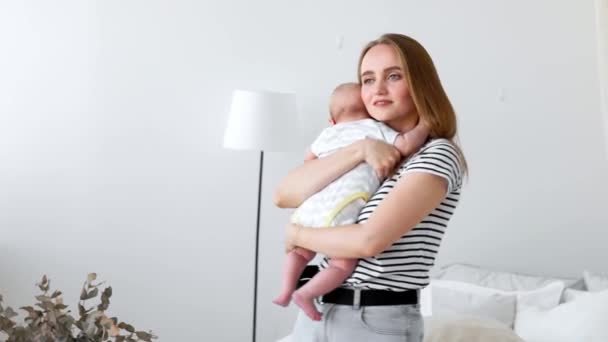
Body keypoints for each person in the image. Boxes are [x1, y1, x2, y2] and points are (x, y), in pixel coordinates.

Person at [273, 33, 467, 342]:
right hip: (318, 311)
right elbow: (284, 195)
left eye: (393, 76)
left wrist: (297, 234)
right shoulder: (359, 144)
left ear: (419, 83)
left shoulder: (437, 154)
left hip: (374, 322)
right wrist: (361, 148)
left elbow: (368, 241)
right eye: (367, 79)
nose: (377, 89)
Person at [272, 82, 429, 321]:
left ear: (332, 120)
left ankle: (285, 290)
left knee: (300, 253)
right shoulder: (374, 130)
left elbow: (308, 162)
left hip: (313, 206)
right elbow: (405, 145)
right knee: (341, 264)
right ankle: (305, 294)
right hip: (342, 208)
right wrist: (425, 125)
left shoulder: (326, 135)